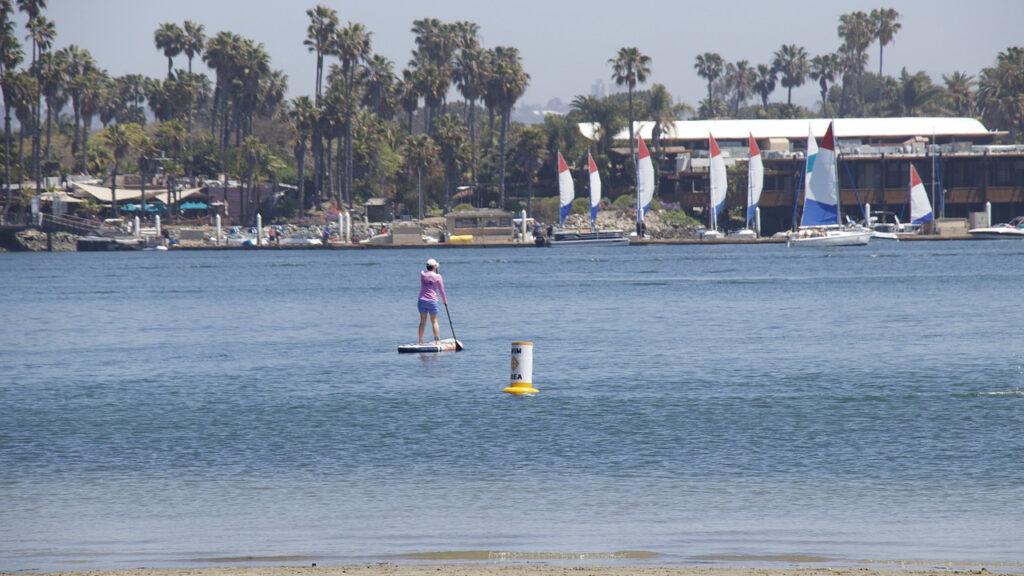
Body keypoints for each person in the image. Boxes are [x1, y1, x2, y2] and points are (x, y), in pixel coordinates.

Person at [417, 258, 447, 344]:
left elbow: (426, 273)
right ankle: (437, 341)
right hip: (432, 301)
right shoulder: (438, 276)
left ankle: (420, 340)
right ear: (434, 267)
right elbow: (442, 290)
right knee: (434, 321)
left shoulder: (422, 274)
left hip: (421, 300)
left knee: (422, 321)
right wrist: (445, 301)